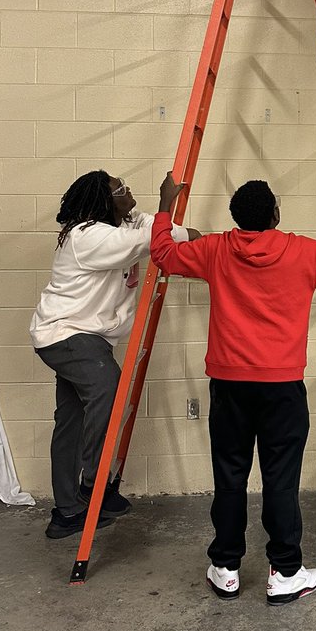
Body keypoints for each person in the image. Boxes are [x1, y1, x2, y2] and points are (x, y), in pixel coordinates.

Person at [151, 172, 316, 606]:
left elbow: (163, 253)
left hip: (229, 384)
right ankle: (286, 572)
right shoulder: (303, 252)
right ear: (276, 214)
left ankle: (225, 568)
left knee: (230, 476)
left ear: (236, 217)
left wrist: (165, 205)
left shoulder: (215, 249)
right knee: (281, 480)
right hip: (281, 387)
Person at [30, 171, 198, 540]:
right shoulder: (88, 235)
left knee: (71, 421)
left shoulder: (120, 224)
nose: (128, 192)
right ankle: (94, 483)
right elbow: (150, 238)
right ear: (105, 202)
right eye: (120, 190)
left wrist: (194, 235)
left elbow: (155, 228)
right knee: (108, 390)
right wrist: (167, 202)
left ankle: (67, 512)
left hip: (85, 338)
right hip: (68, 335)